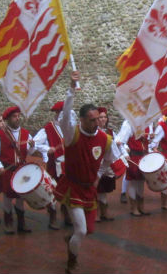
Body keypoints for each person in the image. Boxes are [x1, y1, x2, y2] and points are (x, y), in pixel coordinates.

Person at [53, 71, 123, 274]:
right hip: (73, 187)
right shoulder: (71, 134)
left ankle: (72, 240)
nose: (96, 123)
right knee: (82, 230)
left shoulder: (105, 139)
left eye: (97, 120)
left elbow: (108, 161)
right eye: (91, 120)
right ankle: (72, 261)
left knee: (88, 230)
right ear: (82, 120)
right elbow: (66, 115)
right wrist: (71, 90)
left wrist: (98, 176)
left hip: (89, 189)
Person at [0, 106, 37, 234]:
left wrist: (32, 146)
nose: (17, 118)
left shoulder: (25, 133)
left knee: (21, 196)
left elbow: (30, 151)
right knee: (8, 197)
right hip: (8, 171)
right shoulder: (0, 135)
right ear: (8, 119)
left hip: (21, 170)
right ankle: (8, 223)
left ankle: (21, 223)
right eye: (14, 116)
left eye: (18, 116)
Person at [33, 101, 69, 229]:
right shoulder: (48, 128)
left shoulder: (70, 127)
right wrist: (47, 148)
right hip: (55, 165)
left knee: (67, 189)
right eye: (62, 113)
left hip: (68, 165)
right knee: (52, 190)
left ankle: (66, 214)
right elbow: (35, 143)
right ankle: (52, 216)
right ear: (57, 113)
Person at [117, 119, 153, 216]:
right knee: (133, 181)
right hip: (133, 155)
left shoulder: (148, 122)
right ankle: (134, 208)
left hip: (144, 156)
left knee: (141, 181)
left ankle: (141, 207)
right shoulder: (129, 123)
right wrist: (125, 153)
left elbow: (148, 142)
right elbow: (120, 141)